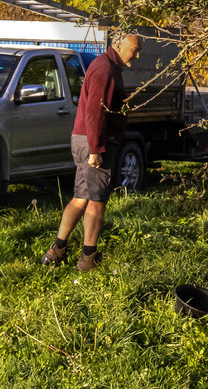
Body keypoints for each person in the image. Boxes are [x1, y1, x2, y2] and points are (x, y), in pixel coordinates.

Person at [42, 33, 138, 271]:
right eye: (134, 50)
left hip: (86, 139)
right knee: (97, 200)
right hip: (94, 142)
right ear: (117, 45)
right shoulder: (105, 70)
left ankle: (56, 251)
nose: (137, 55)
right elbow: (95, 113)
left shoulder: (107, 66)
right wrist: (96, 150)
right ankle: (87, 258)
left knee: (81, 196)